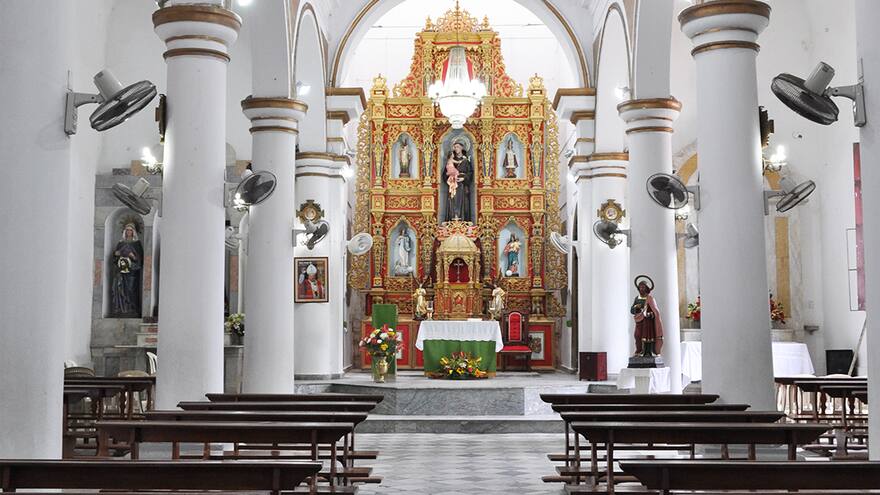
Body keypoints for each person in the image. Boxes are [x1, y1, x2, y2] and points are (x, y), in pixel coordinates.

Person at [110, 223, 143, 317]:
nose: (129, 232)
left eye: (130, 230)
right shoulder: (121, 243)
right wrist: (116, 254)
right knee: (120, 289)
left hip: (132, 272)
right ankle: (121, 309)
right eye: (127, 230)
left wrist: (133, 256)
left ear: (134, 232)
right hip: (121, 271)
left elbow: (140, 259)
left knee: (131, 289)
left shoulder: (137, 243)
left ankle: (132, 308)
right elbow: (115, 258)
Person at [630, 275, 664, 357]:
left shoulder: (650, 298)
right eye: (640, 287)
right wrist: (635, 308)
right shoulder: (637, 298)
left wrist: (650, 314)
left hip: (647, 321)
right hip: (639, 321)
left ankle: (648, 352)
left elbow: (655, 311)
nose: (641, 289)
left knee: (647, 336)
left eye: (643, 287)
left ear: (647, 288)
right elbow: (631, 310)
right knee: (637, 336)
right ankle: (638, 351)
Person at [442, 141, 473, 222]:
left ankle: (463, 222)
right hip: (453, 186)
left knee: (462, 203)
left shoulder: (466, 161)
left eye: (458, 147)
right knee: (452, 203)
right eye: (455, 147)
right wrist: (451, 178)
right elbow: (445, 174)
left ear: (462, 148)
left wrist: (464, 178)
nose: (456, 149)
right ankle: (451, 222)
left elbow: (470, 173)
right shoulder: (451, 160)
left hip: (462, 186)